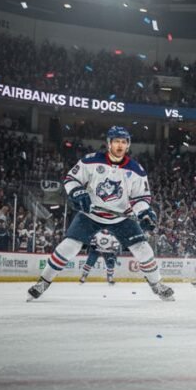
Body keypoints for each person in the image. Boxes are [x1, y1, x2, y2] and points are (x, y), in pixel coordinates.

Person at [27, 126, 174, 301]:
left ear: (128, 145)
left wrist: (144, 213)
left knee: (143, 249)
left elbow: (141, 197)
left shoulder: (136, 170)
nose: (120, 145)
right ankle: (43, 282)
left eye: (123, 142)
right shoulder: (90, 161)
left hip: (121, 217)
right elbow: (71, 180)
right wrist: (77, 192)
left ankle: (157, 284)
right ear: (109, 143)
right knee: (69, 246)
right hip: (90, 214)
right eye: (116, 141)